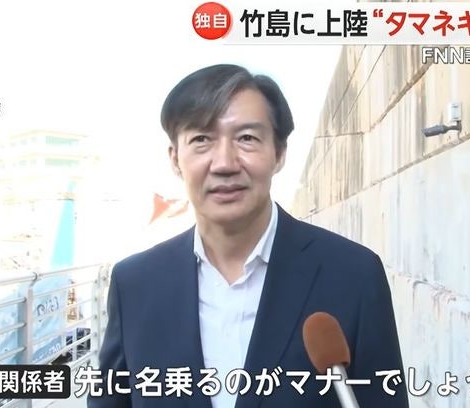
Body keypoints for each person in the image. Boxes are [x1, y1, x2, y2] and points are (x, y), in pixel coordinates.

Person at [88, 64, 409, 408]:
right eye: (201, 140)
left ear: (279, 153)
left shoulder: (353, 275)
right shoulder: (134, 285)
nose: (224, 163)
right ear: (175, 159)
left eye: (247, 139)